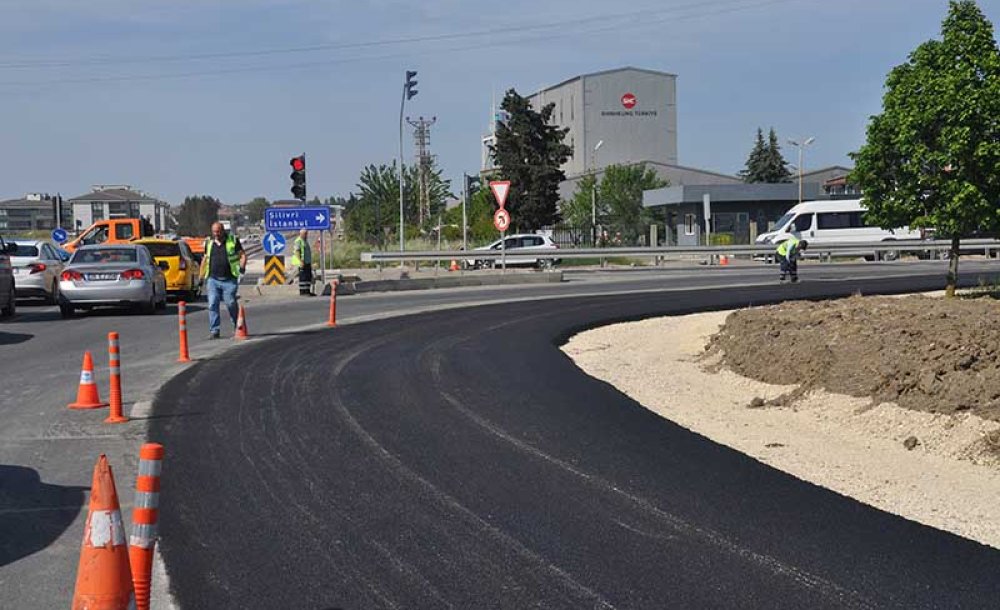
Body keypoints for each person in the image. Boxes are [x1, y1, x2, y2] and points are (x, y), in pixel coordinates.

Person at [201, 222, 247, 339]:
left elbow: (242, 255)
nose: (216, 234)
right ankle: (214, 330)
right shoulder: (209, 243)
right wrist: (200, 276)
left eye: (218, 231)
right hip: (213, 279)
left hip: (229, 279)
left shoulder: (233, 241)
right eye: (214, 232)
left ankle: (237, 326)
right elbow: (205, 260)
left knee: (230, 303)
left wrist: (242, 269)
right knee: (212, 303)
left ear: (223, 231)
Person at [290, 228, 315, 296]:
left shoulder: (304, 241)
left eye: (306, 233)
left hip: (307, 262)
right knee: (303, 277)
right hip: (302, 263)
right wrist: (300, 261)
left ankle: (307, 291)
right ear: (301, 234)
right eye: (305, 234)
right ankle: (303, 291)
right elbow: (297, 251)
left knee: (308, 277)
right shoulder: (299, 241)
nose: (306, 235)